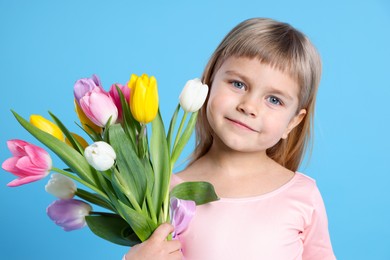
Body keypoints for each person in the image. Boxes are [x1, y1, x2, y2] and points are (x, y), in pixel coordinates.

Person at [124, 17, 335, 260]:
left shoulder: (303, 195)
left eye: (274, 100)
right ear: (210, 80)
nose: (249, 106)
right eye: (238, 84)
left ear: (293, 122)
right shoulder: (161, 194)